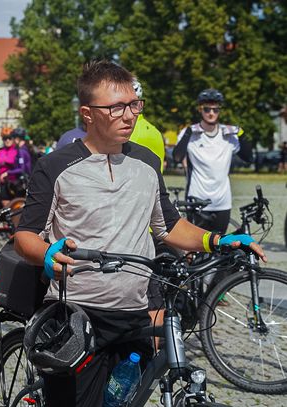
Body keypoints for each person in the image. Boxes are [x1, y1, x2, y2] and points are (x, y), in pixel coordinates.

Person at [14, 60, 266, 407]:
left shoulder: (146, 162)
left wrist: (217, 241)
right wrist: (45, 252)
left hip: (134, 313)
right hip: (75, 313)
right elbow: (25, 236)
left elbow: (168, 226)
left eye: (134, 105)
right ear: (87, 114)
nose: (129, 116)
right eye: (116, 108)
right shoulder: (55, 166)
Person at [173, 88, 252, 234]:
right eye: (207, 109)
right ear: (200, 110)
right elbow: (177, 157)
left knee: (219, 244)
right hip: (197, 201)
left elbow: (248, 158)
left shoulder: (228, 135)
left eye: (215, 110)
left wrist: (240, 133)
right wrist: (189, 132)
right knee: (197, 245)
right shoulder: (190, 133)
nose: (211, 113)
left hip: (222, 202)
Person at [0, 128, 19, 206]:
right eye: (5, 138)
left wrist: (4, 160)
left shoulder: (17, 149)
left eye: (9, 138)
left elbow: (12, 161)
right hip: (3, 181)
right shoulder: (0, 150)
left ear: (13, 139)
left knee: (16, 204)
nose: (7, 140)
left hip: (14, 181)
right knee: (5, 203)